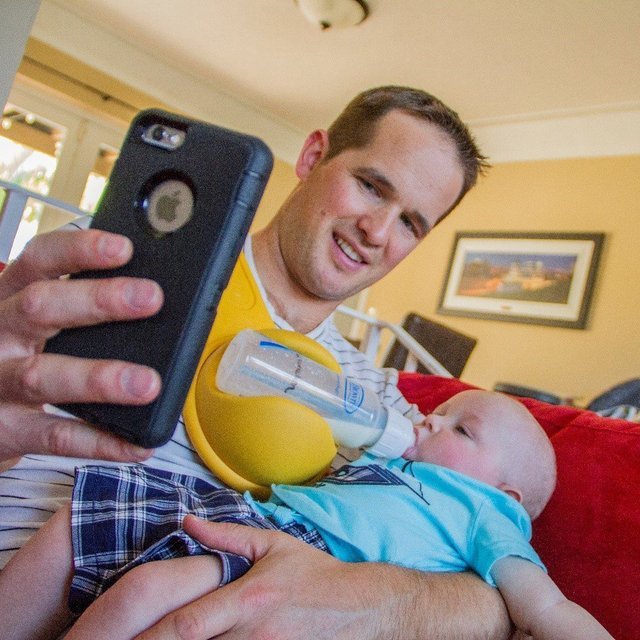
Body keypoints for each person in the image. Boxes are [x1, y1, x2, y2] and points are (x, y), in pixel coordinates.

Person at [0, 86, 516, 639]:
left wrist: (372, 601)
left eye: (411, 223)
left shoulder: (383, 406)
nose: (377, 232)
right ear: (313, 157)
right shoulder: (107, 269)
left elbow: (497, 597)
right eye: (370, 186)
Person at [0, 390, 613, 640]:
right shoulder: (388, 448)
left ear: (505, 494)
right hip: (237, 514)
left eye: (463, 428)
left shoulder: (485, 514)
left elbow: (545, 606)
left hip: (299, 561)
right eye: (441, 410)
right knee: (77, 520)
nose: (429, 419)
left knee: (148, 592)